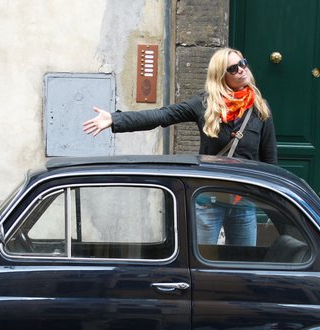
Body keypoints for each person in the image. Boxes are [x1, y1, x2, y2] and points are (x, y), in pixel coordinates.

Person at [82, 47, 277, 245]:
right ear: (220, 76)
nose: (242, 70)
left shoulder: (259, 108)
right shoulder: (204, 104)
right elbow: (163, 115)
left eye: (242, 63)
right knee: (203, 262)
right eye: (233, 68)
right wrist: (115, 119)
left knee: (243, 265)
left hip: (243, 201)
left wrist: (273, 204)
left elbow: (270, 159)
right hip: (210, 198)